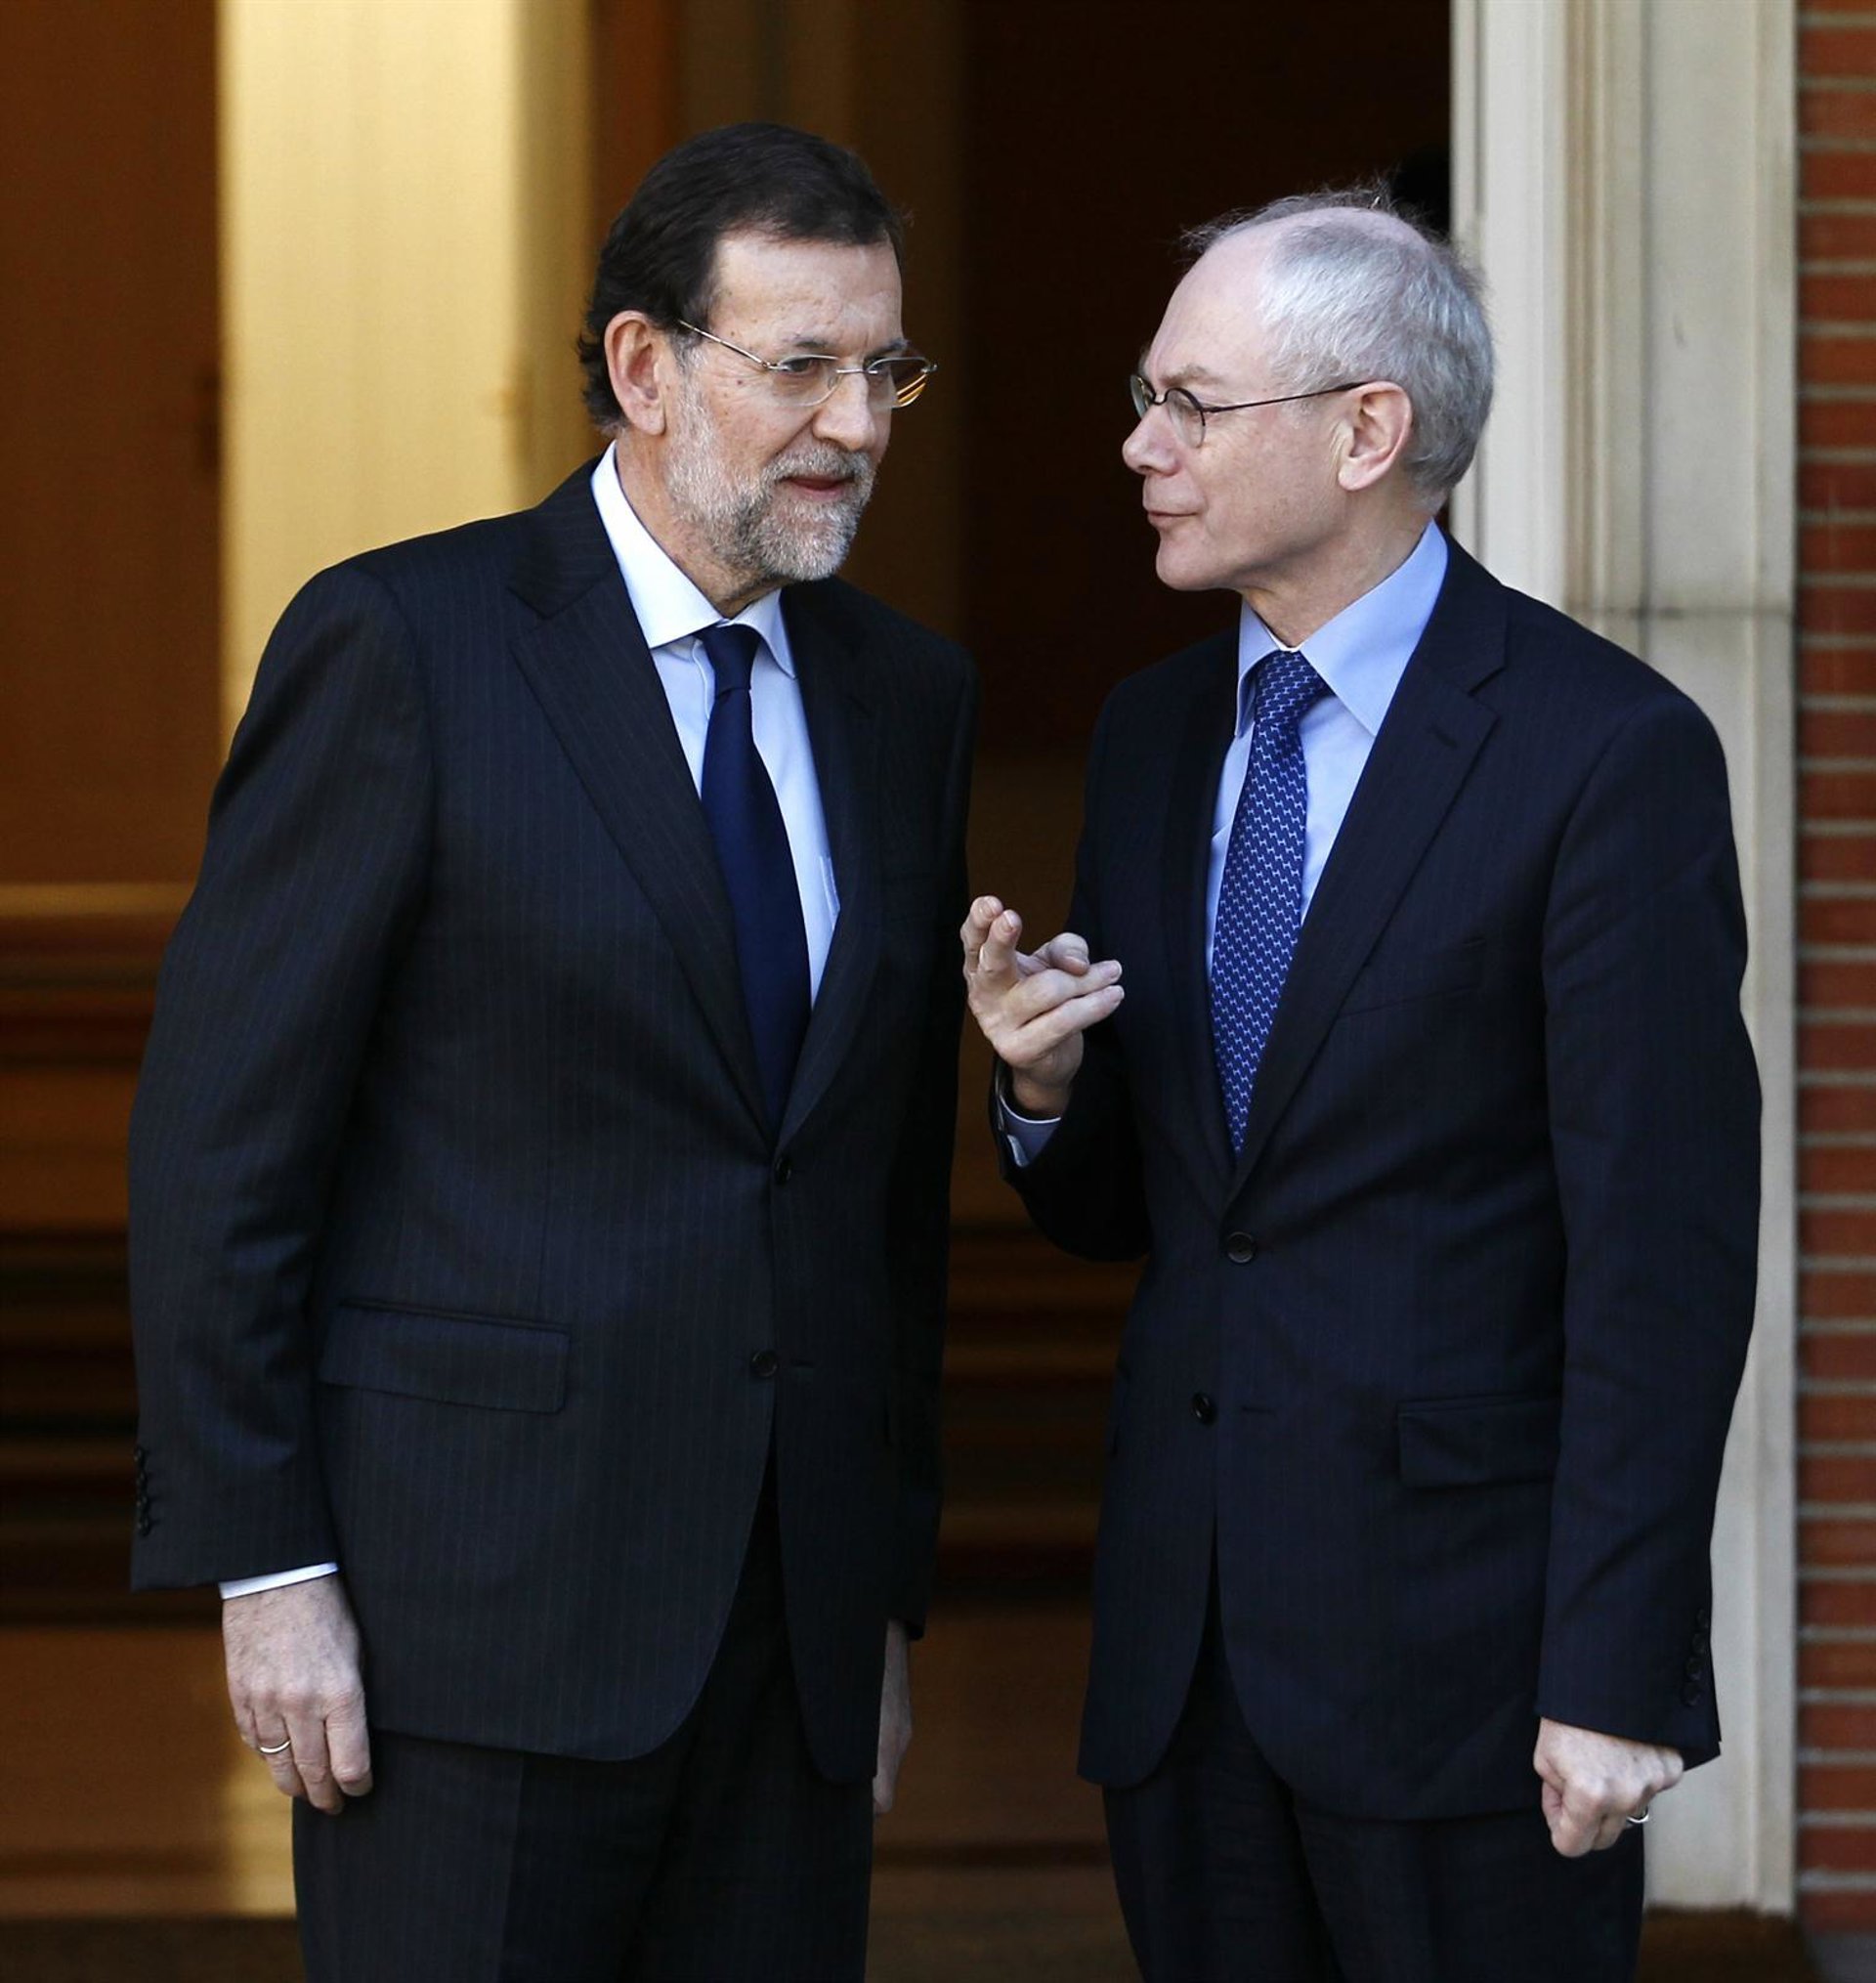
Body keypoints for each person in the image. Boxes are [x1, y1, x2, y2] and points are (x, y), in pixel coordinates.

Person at [129, 121, 975, 1982]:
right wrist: (269, 1568)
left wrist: (878, 1596)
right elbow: (222, 1147)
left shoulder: (908, 698)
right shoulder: (404, 646)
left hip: (790, 1651)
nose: (856, 424)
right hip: (466, 1638)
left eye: (886, 369)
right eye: (802, 366)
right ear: (644, 367)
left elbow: (880, 1190)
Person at [961, 189, 1758, 1982]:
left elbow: (1665, 1255)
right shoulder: (1152, 736)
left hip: (1471, 1678)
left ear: (1367, 430)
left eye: (1191, 404)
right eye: (1146, 398)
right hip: (1186, 1668)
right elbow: (1154, 1214)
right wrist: (1045, 1090)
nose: (1140, 446)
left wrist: (1617, 1671)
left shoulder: (1603, 753)